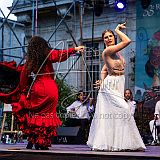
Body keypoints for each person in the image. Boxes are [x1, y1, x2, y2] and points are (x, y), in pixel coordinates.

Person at [9, 36, 84, 150]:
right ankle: (41, 142)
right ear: (43, 44)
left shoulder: (30, 60)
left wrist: (23, 91)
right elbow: (60, 54)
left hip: (38, 88)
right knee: (47, 116)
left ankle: (33, 139)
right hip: (50, 88)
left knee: (34, 115)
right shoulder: (48, 53)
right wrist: (74, 49)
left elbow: (24, 76)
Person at [87, 23, 146, 151]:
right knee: (124, 108)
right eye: (105, 37)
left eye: (110, 36)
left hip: (118, 82)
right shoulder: (107, 51)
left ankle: (120, 144)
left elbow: (104, 69)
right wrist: (117, 30)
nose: (108, 38)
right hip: (111, 84)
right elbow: (127, 40)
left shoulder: (117, 54)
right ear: (103, 41)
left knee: (115, 114)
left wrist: (101, 80)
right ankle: (115, 143)